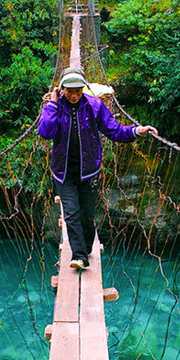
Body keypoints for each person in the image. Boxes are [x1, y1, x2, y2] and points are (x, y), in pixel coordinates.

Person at [38, 68, 158, 269]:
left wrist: (137, 131)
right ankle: (79, 256)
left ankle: (85, 248)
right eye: (69, 90)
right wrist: (52, 103)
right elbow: (45, 132)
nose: (74, 94)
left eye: (78, 90)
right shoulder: (55, 107)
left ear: (83, 88)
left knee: (87, 215)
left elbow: (114, 130)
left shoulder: (94, 106)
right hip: (64, 172)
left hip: (89, 171)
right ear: (62, 90)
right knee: (72, 214)